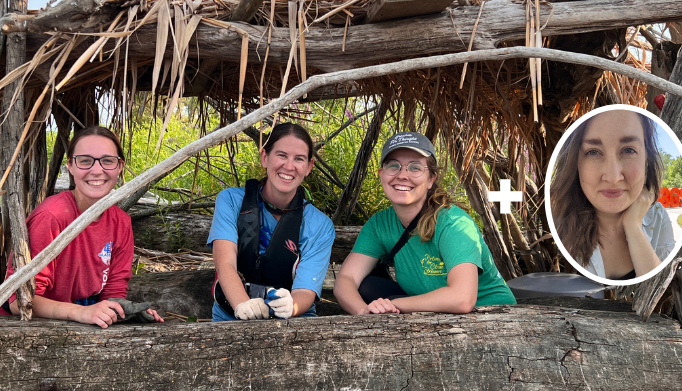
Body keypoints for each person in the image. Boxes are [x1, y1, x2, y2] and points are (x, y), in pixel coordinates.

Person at [0, 126, 163, 327]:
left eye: (107, 161)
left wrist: (122, 309)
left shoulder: (121, 222)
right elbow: (19, 302)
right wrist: (82, 312)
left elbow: (113, 292)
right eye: (85, 161)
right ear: (70, 166)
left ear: (120, 166)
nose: (96, 170)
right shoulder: (51, 216)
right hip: (23, 326)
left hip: (79, 322)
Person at [333, 132, 516, 315]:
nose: (402, 175)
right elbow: (346, 279)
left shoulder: (454, 224)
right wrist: (364, 312)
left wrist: (394, 304)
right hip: (433, 312)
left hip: (490, 313)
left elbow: (462, 299)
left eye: (415, 167)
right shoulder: (380, 224)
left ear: (431, 179)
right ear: (381, 174)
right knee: (368, 286)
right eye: (393, 166)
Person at [209, 122, 335, 321]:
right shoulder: (230, 202)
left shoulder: (320, 226)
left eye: (299, 159)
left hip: (292, 322)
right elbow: (225, 264)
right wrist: (244, 305)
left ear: (309, 167)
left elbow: (306, 290)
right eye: (282, 155)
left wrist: (291, 306)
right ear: (264, 157)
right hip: (231, 315)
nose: (289, 166)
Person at [549, 108, 676, 280]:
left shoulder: (658, 217)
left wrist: (634, 227)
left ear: (647, 159)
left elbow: (660, 288)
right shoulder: (558, 225)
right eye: (593, 152)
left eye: (628, 150)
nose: (613, 177)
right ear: (575, 163)